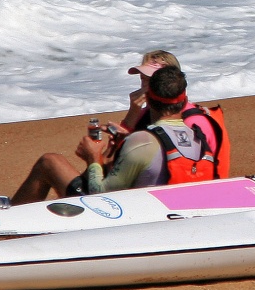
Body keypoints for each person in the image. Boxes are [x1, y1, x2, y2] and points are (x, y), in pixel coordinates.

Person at [11, 65, 219, 203]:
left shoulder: (142, 141)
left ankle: (9, 230)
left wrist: (93, 157)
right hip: (174, 215)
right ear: (184, 101)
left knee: (49, 162)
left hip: (130, 224)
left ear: (150, 99)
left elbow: (101, 196)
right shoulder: (199, 137)